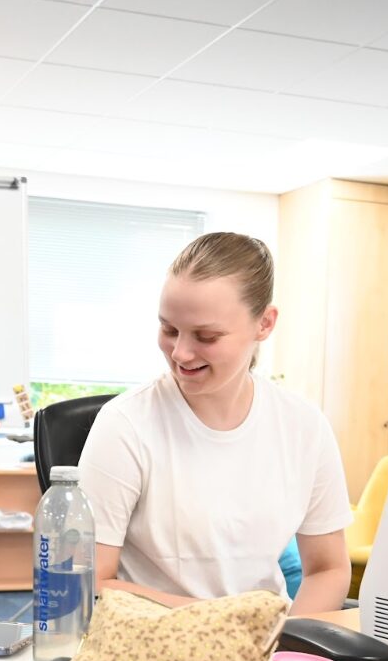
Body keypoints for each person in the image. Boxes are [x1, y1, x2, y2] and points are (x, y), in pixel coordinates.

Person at [78, 231, 353, 613]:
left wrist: (288, 639)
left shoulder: (305, 427)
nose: (180, 353)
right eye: (169, 329)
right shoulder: (125, 425)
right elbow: (90, 580)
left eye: (206, 336)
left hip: (268, 638)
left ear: (264, 324)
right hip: (158, 639)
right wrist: (225, 625)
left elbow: (328, 568)